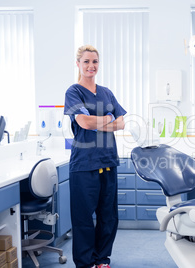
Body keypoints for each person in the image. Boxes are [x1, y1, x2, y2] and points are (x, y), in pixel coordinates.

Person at [64, 45, 127, 268]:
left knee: (108, 217)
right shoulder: (74, 91)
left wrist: (97, 122)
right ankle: (85, 263)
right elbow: (83, 122)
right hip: (84, 163)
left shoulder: (106, 92)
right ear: (78, 64)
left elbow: (122, 122)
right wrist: (108, 119)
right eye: (87, 62)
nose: (91, 66)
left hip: (108, 161)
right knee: (83, 219)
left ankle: (102, 260)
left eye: (95, 62)